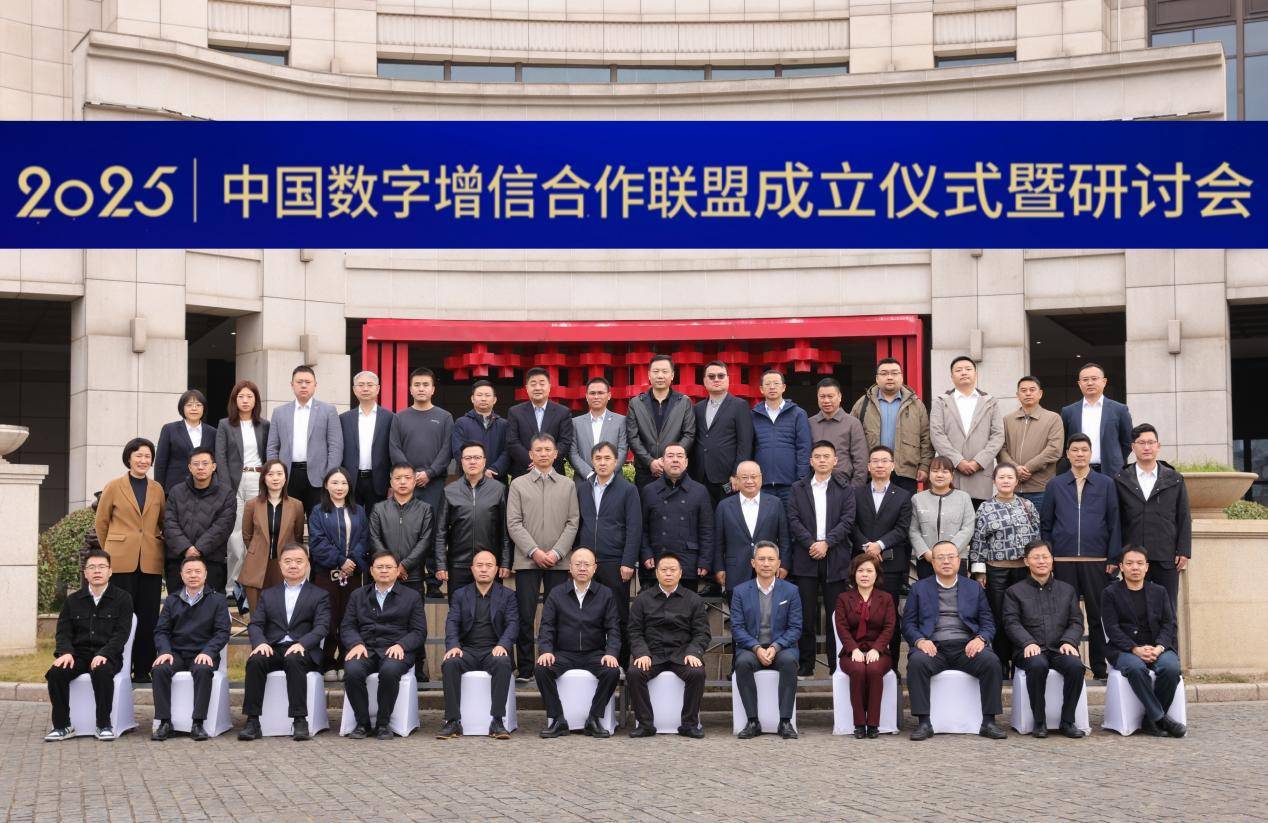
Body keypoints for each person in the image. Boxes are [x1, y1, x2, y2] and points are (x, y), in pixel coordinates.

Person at [902, 541, 1007, 741]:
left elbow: (988, 622)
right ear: (933, 562)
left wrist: (981, 639)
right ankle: (924, 723)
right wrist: (920, 641)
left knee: (992, 662)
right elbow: (908, 624)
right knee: (917, 662)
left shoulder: (974, 588)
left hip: (966, 647)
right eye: (940, 557)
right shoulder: (919, 588)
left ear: (959, 561)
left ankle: (989, 721)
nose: (946, 561)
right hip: (934, 647)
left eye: (951, 557)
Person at [1041, 433, 1120, 681]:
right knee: (1065, 616)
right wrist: (1049, 558)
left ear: (1090, 453)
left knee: (1097, 616)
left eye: (1084, 450)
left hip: (1096, 561)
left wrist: (1113, 558)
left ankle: (1099, 668)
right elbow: (1046, 524)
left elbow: (1115, 522)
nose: (1079, 454)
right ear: (1067, 454)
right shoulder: (1055, 485)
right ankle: (1069, 663)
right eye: (1074, 450)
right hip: (1063, 561)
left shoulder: (1106, 484)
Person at [238, 544, 331, 742]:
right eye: (288, 561)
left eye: (298, 561)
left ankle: (299, 720)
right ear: (280, 565)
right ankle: (252, 721)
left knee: (294, 659)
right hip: (273, 648)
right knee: (255, 661)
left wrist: (302, 644)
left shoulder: (319, 595)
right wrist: (260, 643)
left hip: (303, 650)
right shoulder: (269, 594)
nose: (293, 565)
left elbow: (322, 627)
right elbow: (255, 624)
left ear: (307, 564)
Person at [506, 432, 580, 680]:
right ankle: (526, 668)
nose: (543, 454)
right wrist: (535, 551)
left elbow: (573, 522)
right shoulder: (518, 484)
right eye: (538, 450)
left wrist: (557, 552)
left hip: (559, 562)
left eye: (548, 450)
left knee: (558, 615)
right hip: (527, 560)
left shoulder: (568, 485)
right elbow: (514, 523)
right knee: (525, 616)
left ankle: (553, 664)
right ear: (530, 454)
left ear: (556, 454)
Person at [43, 548, 134, 742]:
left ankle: (103, 724)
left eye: (102, 567)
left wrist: (105, 653)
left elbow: (121, 634)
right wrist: (65, 652)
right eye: (92, 567)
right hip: (78, 655)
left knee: (101, 670)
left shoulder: (123, 599)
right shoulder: (72, 600)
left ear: (110, 571)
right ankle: (62, 726)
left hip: (108, 655)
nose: (97, 571)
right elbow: (63, 632)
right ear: (85, 573)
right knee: (56, 672)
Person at [94, 437, 165, 682]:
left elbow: (162, 521)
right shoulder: (114, 486)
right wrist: (111, 549)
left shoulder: (157, 489)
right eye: (139, 456)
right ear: (129, 458)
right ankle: (117, 664)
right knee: (120, 616)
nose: (143, 460)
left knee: (148, 617)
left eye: (147, 456)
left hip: (150, 561)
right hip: (120, 560)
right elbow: (101, 523)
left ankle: (143, 669)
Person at [1001, 540, 1087, 739]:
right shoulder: (1014, 592)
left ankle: (1067, 721)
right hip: (1030, 649)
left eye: (1045, 557)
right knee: (1037, 665)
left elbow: (1076, 621)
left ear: (1052, 559)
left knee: (1076, 666)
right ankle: (1039, 721)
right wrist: (1027, 642)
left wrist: (1069, 641)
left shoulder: (1067, 590)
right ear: (1026, 561)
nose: (1041, 561)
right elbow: (1011, 623)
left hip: (1059, 648)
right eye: (1036, 557)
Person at [535, 548, 623, 739]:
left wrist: (611, 653)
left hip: (594, 653)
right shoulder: (557, 593)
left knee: (612, 671)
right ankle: (558, 719)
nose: (582, 568)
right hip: (564, 653)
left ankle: (594, 718)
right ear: (570, 567)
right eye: (578, 564)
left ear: (594, 568)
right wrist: (546, 650)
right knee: (542, 669)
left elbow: (613, 629)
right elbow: (547, 626)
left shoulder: (605, 594)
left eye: (587, 564)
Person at [787, 441, 857, 676]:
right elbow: (793, 519)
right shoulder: (798, 488)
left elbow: (848, 520)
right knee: (805, 615)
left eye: (827, 456)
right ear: (811, 461)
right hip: (805, 556)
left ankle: (836, 664)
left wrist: (827, 543)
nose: (822, 460)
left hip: (835, 557)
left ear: (835, 460)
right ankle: (806, 664)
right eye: (817, 456)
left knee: (836, 616)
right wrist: (812, 543)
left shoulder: (845, 489)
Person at [1101, 546, 1187, 738]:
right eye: (1130, 563)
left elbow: (1169, 624)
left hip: (1158, 647)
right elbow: (1112, 629)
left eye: (1140, 563)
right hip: (1124, 650)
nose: (1135, 567)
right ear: (1121, 567)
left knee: (1171, 668)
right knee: (1135, 668)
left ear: (1147, 567)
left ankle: (1150, 720)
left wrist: (1160, 647)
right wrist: (1134, 649)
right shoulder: (1110, 593)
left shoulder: (1159, 591)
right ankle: (1161, 719)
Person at [341, 550, 427, 740]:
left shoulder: (411, 596)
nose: (384, 571)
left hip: (396, 649)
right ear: (371, 571)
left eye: (389, 567)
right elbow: (347, 626)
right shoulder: (358, 595)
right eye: (379, 567)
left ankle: (383, 723)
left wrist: (401, 645)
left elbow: (419, 631)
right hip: (366, 648)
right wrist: (356, 643)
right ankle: (362, 723)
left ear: (397, 571)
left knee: (389, 671)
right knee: (352, 671)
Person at [626, 553, 711, 738]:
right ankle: (645, 724)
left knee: (697, 673)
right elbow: (634, 631)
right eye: (664, 570)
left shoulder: (693, 599)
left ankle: (689, 724)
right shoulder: (642, 600)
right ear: (656, 573)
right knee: (634, 673)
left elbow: (702, 632)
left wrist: (694, 652)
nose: (668, 574)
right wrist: (641, 653)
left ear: (680, 573)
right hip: (652, 654)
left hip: (682, 653)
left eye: (673, 570)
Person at [437, 551, 518, 740]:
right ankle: (452, 721)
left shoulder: (508, 595)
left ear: (496, 570)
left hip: (494, 650)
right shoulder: (460, 594)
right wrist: (453, 646)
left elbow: (513, 624)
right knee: (450, 663)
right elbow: (452, 622)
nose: (483, 569)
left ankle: (497, 721)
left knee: (502, 662)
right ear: (472, 569)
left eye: (488, 565)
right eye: (479, 565)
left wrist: (503, 645)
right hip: (468, 650)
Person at [574, 441, 642, 666]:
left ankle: (620, 664)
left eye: (607, 458)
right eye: (598, 458)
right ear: (592, 461)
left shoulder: (628, 490)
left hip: (615, 561)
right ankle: (593, 661)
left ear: (616, 461)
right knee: (588, 614)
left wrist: (628, 561)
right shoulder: (583, 488)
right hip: (587, 562)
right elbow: (577, 523)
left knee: (618, 614)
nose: (602, 463)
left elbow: (634, 527)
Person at [151, 556, 231, 742]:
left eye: (197, 571)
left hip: (204, 653)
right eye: (188, 572)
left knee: (202, 670)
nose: (193, 575)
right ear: (181, 575)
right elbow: (161, 631)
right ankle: (164, 722)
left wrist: (208, 652)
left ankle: (198, 723)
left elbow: (222, 632)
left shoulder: (217, 600)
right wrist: (165, 651)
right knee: (159, 669)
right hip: (176, 653)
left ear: (205, 575)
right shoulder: (172, 600)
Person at [969, 463, 1041, 672]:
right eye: (1001, 477)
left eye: (1010, 477)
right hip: (996, 570)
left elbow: (1037, 537)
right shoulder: (985, 507)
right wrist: (979, 572)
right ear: (994, 481)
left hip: (1023, 570)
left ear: (1017, 481)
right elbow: (979, 540)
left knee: (1023, 615)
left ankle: (1021, 660)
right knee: (999, 616)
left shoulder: (1027, 505)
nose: (1006, 481)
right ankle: (1000, 663)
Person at [1113, 424, 1192, 610]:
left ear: (1158, 446)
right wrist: (1116, 555)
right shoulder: (1121, 479)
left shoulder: (1174, 478)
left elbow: (1183, 516)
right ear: (1133, 447)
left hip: (1166, 555)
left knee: (1167, 609)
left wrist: (1183, 550)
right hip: (1133, 558)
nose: (1146, 447)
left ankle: (1167, 633)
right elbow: (1116, 520)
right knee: (1134, 609)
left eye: (1151, 442)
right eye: (1141, 443)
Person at [369, 462, 435, 681]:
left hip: (412, 576)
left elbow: (425, 541)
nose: (403, 482)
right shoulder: (379, 509)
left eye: (407, 477)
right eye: (398, 478)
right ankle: (383, 661)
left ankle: (419, 667)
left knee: (415, 623)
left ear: (414, 481)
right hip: (384, 578)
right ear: (391, 481)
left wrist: (404, 566)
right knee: (384, 622)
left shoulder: (425, 509)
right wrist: (391, 568)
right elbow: (374, 539)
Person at [731, 542, 802, 739]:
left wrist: (776, 646)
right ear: (753, 563)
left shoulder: (791, 591)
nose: (766, 563)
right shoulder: (740, 591)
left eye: (771, 559)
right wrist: (756, 648)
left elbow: (795, 627)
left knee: (789, 662)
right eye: (761, 559)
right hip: (751, 648)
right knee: (742, 663)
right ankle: (752, 721)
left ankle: (785, 722)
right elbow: (737, 628)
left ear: (778, 563)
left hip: (782, 647)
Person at [852, 445, 912, 667]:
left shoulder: (903, 495)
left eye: (885, 461)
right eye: (875, 461)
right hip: (861, 563)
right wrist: (867, 547)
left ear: (893, 465)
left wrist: (879, 545)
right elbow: (851, 524)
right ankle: (861, 662)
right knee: (860, 614)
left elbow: (902, 528)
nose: (880, 465)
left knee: (889, 617)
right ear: (868, 466)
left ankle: (891, 665)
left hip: (891, 565)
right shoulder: (856, 493)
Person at [307, 467, 369, 675]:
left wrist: (352, 562)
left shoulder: (359, 511)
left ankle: (345, 660)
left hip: (353, 574)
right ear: (326, 485)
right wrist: (340, 561)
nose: (339, 487)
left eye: (343, 483)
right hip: (326, 574)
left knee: (349, 617)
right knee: (329, 618)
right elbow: (317, 542)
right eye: (334, 482)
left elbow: (364, 540)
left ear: (349, 486)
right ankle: (327, 662)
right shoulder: (318, 511)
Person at [216, 379, 269, 608]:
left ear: (256, 400)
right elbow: (220, 457)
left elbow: (269, 454)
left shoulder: (264, 425)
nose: (245, 400)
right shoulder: (225, 425)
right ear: (234, 400)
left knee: (257, 533)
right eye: (241, 396)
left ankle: (253, 583)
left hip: (259, 480)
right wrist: (225, 487)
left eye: (250, 396)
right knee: (236, 535)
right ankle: (232, 587)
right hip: (235, 483)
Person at [435, 443, 511, 596]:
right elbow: (440, 532)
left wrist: (505, 561)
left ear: (484, 461)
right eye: (468, 458)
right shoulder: (450, 491)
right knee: (458, 607)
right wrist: (441, 564)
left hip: (489, 564)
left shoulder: (499, 489)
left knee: (491, 607)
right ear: (461, 461)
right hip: (458, 564)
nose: (472, 462)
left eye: (477, 457)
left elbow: (505, 530)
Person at [834, 553, 897, 738]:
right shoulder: (844, 598)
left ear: (876, 574)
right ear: (854, 574)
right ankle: (860, 723)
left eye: (869, 571)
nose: (864, 575)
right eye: (860, 570)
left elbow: (889, 626)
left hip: (879, 652)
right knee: (858, 670)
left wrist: (877, 649)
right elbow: (841, 627)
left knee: (875, 669)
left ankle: (874, 724)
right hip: (851, 652)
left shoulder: (886, 598)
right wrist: (853, 649)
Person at [929, 356, 1005, 508]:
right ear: (952, 376)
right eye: (958, 370)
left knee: (979, 517)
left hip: (980, 473)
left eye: (968, 369)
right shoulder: (941, 402)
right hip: (951, 472)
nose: (964, 372)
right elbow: (937, 435)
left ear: (975, 374)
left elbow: (998, 435)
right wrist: (958, 461)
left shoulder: (990, 402)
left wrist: (978, 462)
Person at [266, 365, 344, 513]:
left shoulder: (328, 411)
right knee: (288, 522)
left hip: (319, 477)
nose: (303, 385)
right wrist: (276, 473)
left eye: (308, 382)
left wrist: (329, 476)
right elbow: (272, 447)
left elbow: (335, 446)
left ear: (315, 385)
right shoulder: (279, 412)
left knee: (318, 520)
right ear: (292, 385)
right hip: (288, 476)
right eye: (299, 382)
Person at [850, 358, 932, 496]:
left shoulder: (916, 405)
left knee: (904, 508)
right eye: (884, 373)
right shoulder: (863, 404)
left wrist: (924, 466)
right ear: (877, 378)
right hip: (872, 471)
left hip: (906, 473)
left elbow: (926, 438)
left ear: (901, 377)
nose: (889, 377)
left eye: (894, 373)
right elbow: (852, 438)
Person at [162, 446, 237, 595]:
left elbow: (223, 526)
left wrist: (199, 549)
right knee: (177, 604)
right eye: (196, 464)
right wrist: (186, 549)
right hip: (179, 561)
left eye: (205, 463)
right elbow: (169, 523)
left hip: (211, 561)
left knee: (210, 605)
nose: (200, 467)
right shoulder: (176, 492)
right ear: (190, 467)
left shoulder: (226, 494)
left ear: (214, 466)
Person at [639, 442, 713, 591]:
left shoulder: (699, 491)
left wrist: (705, 560)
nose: (675, 460)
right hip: (655, 563)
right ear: (662, 461)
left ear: (686, 462)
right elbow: (641, 529)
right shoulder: (649, 491)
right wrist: (645, 554)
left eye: (679, 456)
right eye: (670, 456)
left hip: (688, 564)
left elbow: (707, 530)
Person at [713, 461, 789, 593]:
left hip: (768, 570)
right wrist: (718, 568)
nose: (750, 481)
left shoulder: (775, 503)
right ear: (737, 480)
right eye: (744, 477)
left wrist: (784, 564)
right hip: (735, 572)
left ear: (761, 478)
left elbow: (784, 538)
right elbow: (718, 541)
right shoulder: (724, 506)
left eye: (754, 477)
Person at [239, 459, 305, 612]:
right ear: (263, 478)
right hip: (256, 565)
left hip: (283, 564)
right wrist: (258, 551)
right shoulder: (252, 505)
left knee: (281, 612)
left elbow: (298, 536)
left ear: (285, 478)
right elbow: (247, 535)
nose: (275, 478)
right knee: (257, 613)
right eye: (270, 474)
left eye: (279, 474)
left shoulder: (296, 505)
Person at [691, 360, 754, 509]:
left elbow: (745, 443)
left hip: (727, 478)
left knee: (726, 516)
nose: (716, 379)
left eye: (721, 376)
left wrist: (737, 473)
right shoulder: (697, 408)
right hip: (700, 476)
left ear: (728, 379)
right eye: (711, 376)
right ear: (704, 380)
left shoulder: (740, 406)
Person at [626, 354, 696, 488]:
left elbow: (689, 434)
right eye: (656, 371)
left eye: (664, 371)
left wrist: (669, 459)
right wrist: (650, 462)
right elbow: (632, 437)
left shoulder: (684, 402)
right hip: (645, 471)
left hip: (675, 471)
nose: (660, 376)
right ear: (649, 375)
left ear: (672, 375)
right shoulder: (636, 403)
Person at [998, 376, 1063, 511]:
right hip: (1012, 488)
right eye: (1023, 390)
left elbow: (1054, 449)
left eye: (1032, 390)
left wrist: (1028, 468)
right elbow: (1001, 448)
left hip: (1040, 488)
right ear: (1017, 395)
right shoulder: (1007, 420)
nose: (1028, 393)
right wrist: (1015, 469)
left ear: (1040, 393)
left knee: (1040, 524)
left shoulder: (1053, 418)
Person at [1060, 362, 1134, 476]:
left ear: (1104, 382)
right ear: (1079, 384)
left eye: (1094, 379)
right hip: (1078, 471)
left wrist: (1114, 459)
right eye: (1085, 380)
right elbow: (1063, 443)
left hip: (1110, 472)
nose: (1090, 383)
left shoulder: (1119, 409)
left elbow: (1128, 442)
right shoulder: (1068, 411)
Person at [908, 456, 975, 579]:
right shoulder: (917, 499)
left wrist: (949, 553)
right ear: (929, 474)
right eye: (935, 471)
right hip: (927, 559)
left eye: (944, 471)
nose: (939, 475)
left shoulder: (963, 498)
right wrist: (926, 553)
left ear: (952, 475)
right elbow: (913, 530)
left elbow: (968, 528)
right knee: (927, 590)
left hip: (956, 559)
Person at [751, 368, 811, 505]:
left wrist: (802, 478)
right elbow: (749, 447)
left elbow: (804, 447)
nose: (772, 387)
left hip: (790, 483)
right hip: (761, 483)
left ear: (783, 387)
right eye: (768, 384)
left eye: (776, 383)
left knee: (790, 517)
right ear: (761, 389)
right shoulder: (753, 415)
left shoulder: (798, 414)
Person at [341, 370, 395, 511]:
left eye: (370, 385)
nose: (365, 388)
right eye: (361, 385)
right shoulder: (344, 419)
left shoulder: (390, 418)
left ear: (377, 389)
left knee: (376, 520)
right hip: (351, 481)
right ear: (354, 390)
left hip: (379, 481)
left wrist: (392, 483)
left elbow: (393, 451)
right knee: (352, 520)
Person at [505, 367, 573, 477]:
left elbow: (565, 442)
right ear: (527, 388)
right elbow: (512, 441)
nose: (537, 388)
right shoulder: (515, 412)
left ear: (549, 387)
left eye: (542, 384)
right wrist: (532, 461)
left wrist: (547, 461)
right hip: (524, 471)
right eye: (533, 384)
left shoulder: (563, 412)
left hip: (554, 471)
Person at [155, 389, 218, 495]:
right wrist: (159, 490)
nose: (194, 408)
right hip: (175, 489)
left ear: (204, 408)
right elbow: (160, 463)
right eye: (189, 405)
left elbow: (217, 462)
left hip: (205, 489)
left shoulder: (213, 432)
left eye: (198, 405)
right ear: (182, 408)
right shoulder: (169, 429)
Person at [809, 378, 868, 486]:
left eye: (830, 396)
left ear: (840, 397)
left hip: (844, 484)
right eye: (822, 396)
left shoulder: (852, 423)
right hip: (815, 484)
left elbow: (861, 460)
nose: (826, 401)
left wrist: (854, 489)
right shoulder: (810, 423)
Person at [569, 376, 627, 480]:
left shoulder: (621, 421)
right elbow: (573, 453)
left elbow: (622, 450)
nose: (596, 396)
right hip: (583, 479)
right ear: (586, 396)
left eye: (600, 393)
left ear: (609, 395)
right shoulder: (575, 423)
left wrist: (608, 473)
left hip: (613, 479)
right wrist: (589, 474)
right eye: (592, 393)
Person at [451, 379, 510, 482]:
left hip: (496, 478)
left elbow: (508, 451)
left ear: (494, 399)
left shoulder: (504, 424)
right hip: (468, 479)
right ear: (472, 399)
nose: (483, 399)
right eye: (479, 395)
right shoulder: (461, 423)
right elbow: (458, 451)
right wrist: (482, 471)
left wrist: (494, 469)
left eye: (487, 395)